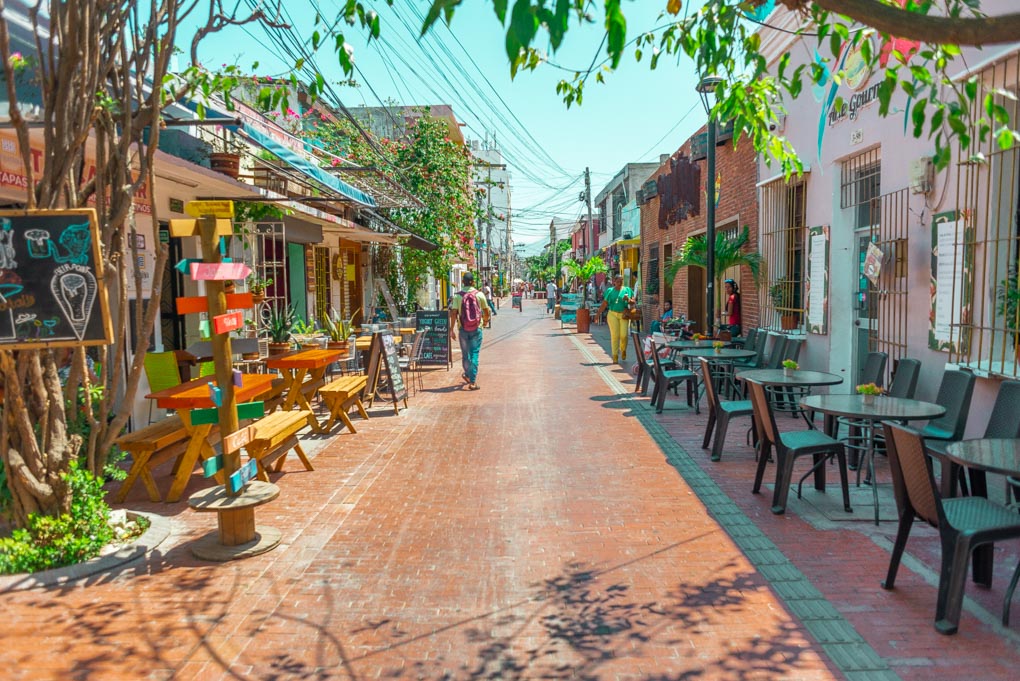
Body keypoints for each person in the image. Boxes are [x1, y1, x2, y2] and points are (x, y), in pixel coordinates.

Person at [449, 272, 490, 390]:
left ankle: (467, 373)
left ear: (463, 282)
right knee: (475, 353)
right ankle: (472, 381)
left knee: (465, 354)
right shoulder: (480, 294)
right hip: (477, 328)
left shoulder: (457, 296)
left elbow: (453, 313)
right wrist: (485, 321)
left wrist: (451, 329)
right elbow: (486, 311)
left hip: (463, 329)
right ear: (473, 282)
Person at [597, 274, 635, 363]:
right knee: (615, 335)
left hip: (624, 315)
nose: (619, 283)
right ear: (614, 282)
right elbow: (604, 303)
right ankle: (615, 355)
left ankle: (623, 349)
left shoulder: (627, 290)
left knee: (624, 335)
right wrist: (598, 314)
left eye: (621, 281)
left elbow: (633, 302)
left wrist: (628, 299)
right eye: (618, 281)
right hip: (612, 314)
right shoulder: (610, 291)